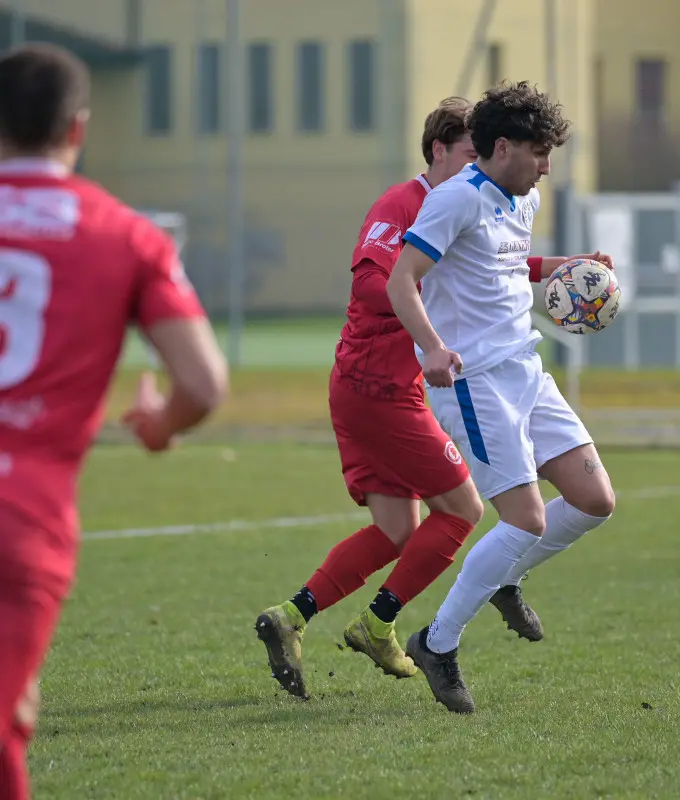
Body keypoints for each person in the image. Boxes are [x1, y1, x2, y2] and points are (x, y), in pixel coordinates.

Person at [253, 97, 572, 700]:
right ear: (438, 152)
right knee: (463, 511)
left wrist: (553, 267)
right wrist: (428, 330)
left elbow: (489, 266)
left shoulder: (473, 205)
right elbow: (376, 278)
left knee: (399, 529)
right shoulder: (405, 203)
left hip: (372, 388)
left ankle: (290, 617)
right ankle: (379, 626)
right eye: (469, 153)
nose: (479, 164)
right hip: (380, 387)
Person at [0, 44, 228, 798]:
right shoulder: (126, 234)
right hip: (23, 516)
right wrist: (161, 423)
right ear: (80, 127)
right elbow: (202, 382)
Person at [387, 81, 617, 714]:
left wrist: (567, 263)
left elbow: (504, 267)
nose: (547, 166)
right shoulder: (453, 200)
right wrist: (431, 347)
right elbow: (401, 282)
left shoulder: (524, 196)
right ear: (504, 146)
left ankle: (503, 575)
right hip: (475, 383)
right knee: (523, 519)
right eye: (540, 152)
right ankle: (438, 642)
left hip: (526, 371)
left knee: (595, 500)